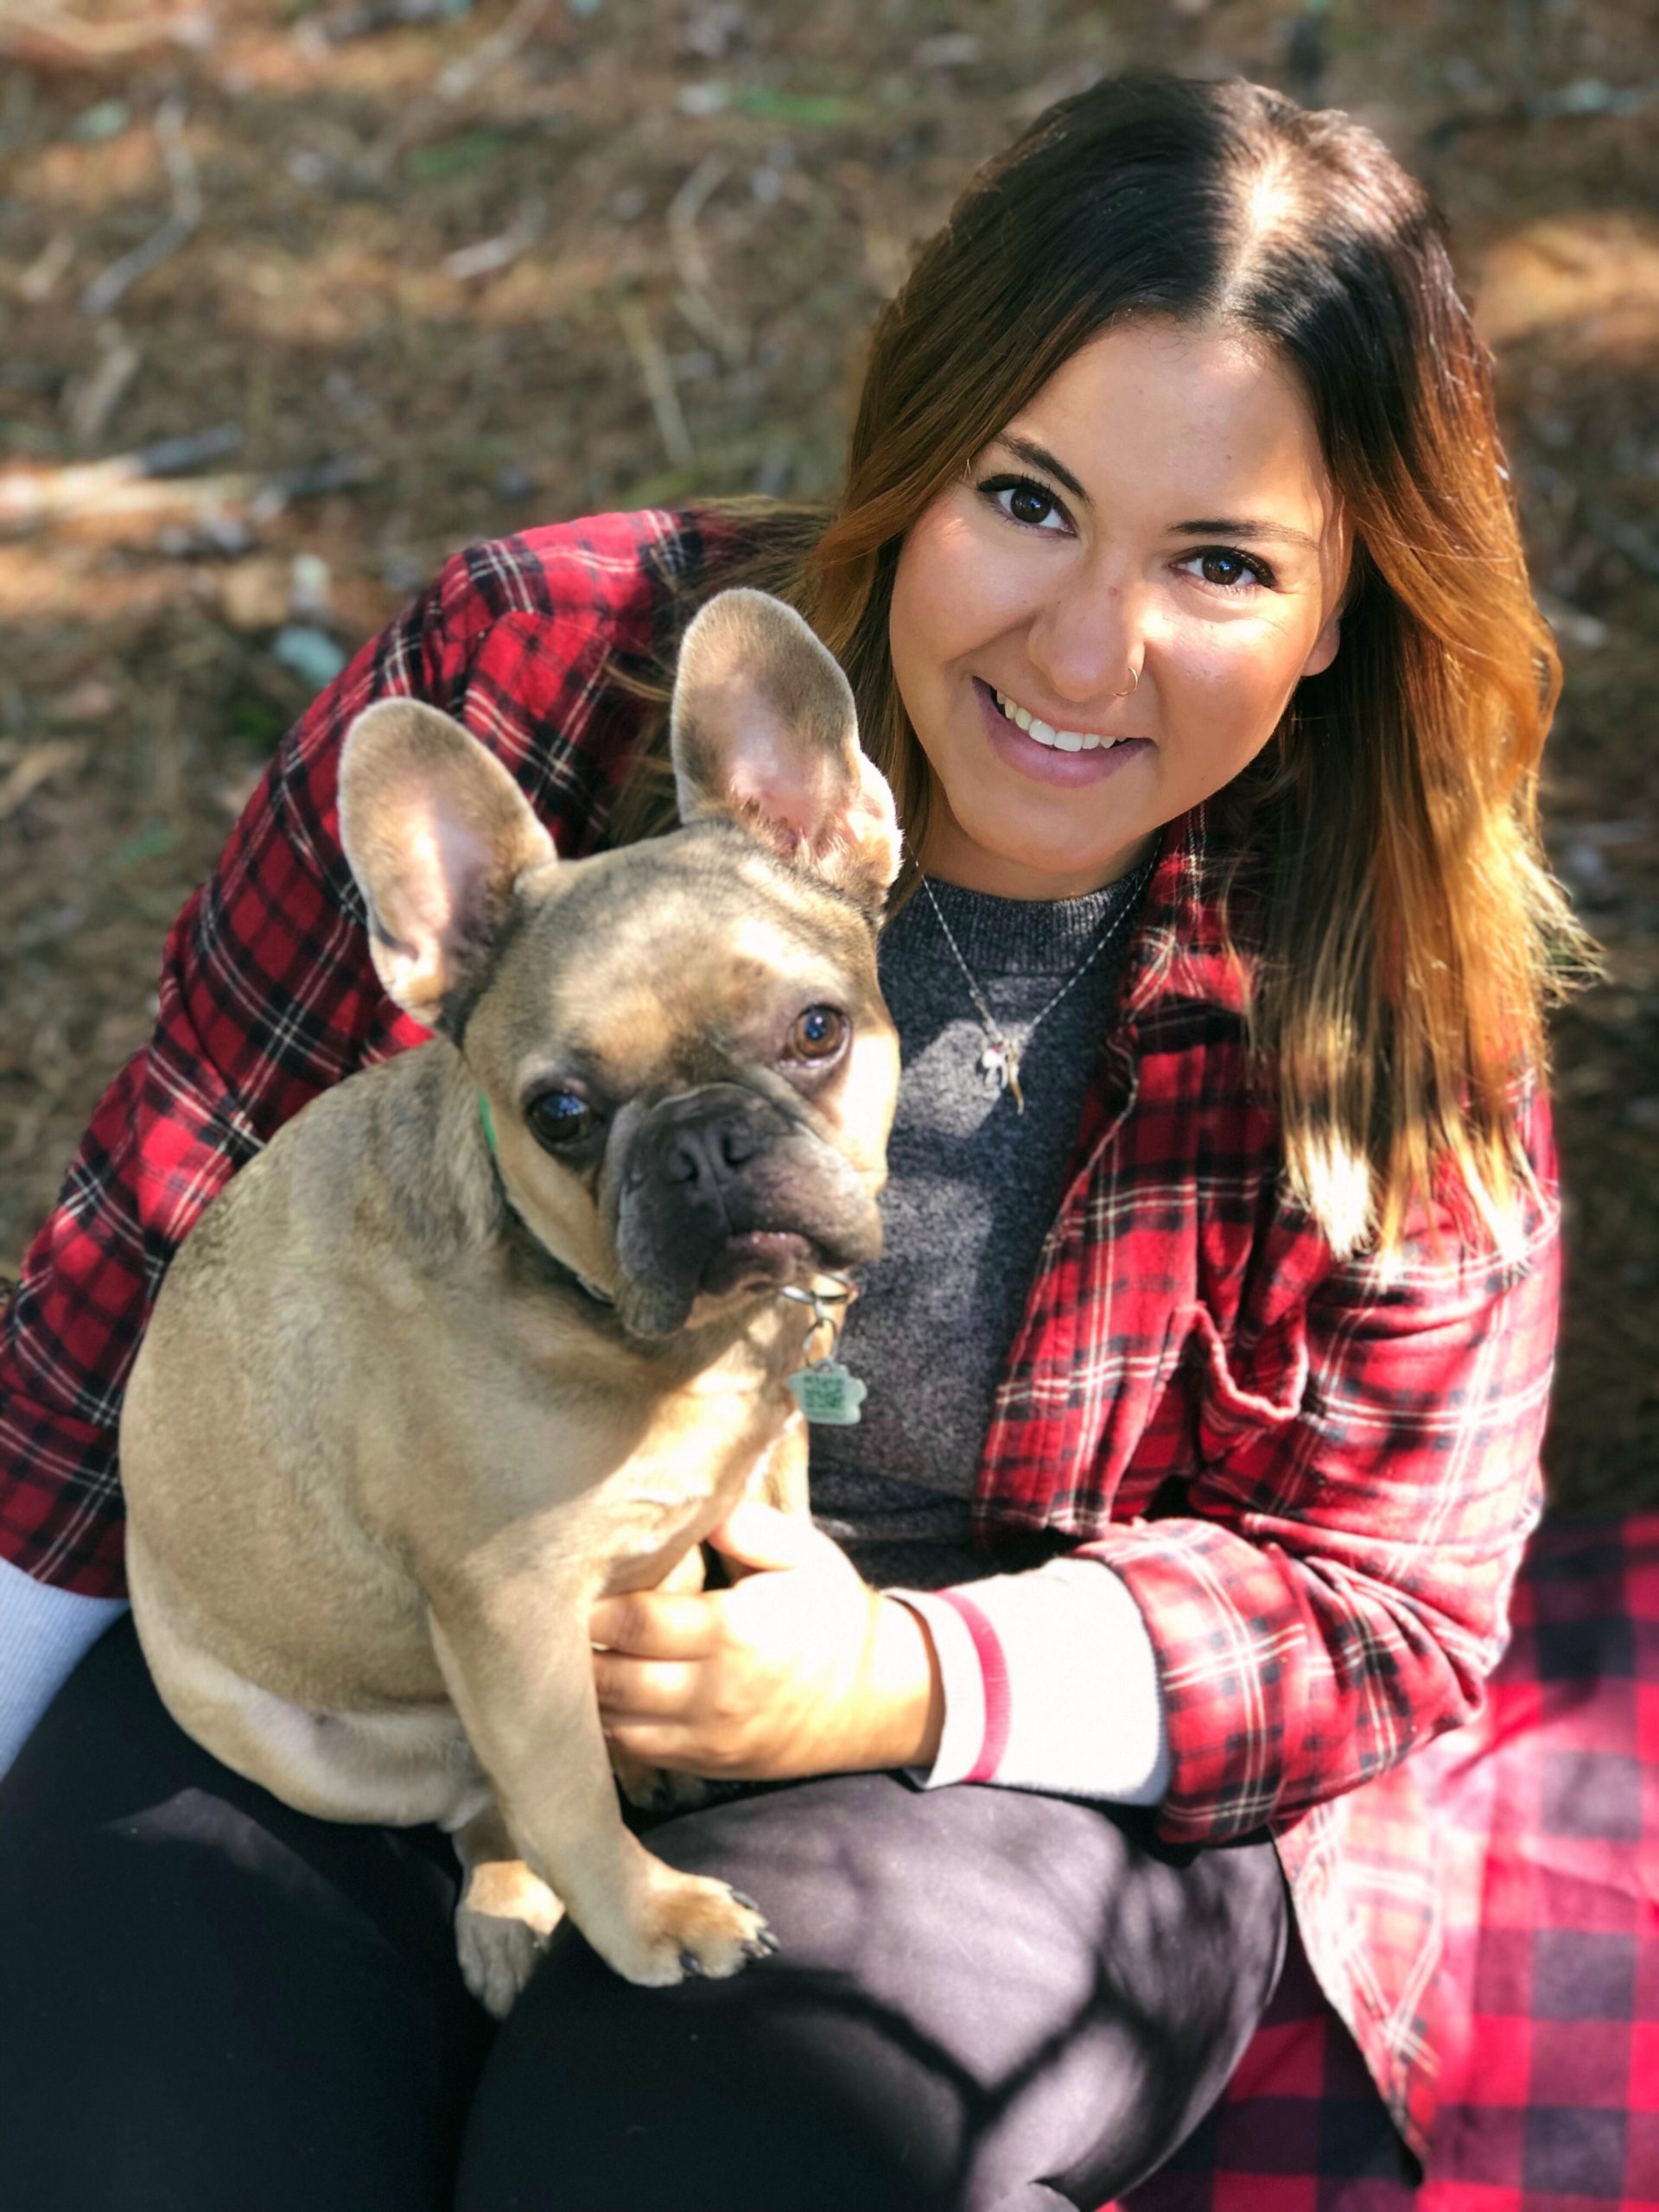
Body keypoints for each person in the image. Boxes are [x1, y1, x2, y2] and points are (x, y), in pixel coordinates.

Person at [0, 70, 1589, 2212]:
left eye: (1220, 559)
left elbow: (1382, 1612)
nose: (1085, 646)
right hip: (392, 1620)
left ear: (1347, 605)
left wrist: (892, 1672)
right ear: (912, 456)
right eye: (1026, 501)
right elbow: (141, 1258)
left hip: (987, 1728)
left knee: (694, 2171)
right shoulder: (539, 687)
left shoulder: (1380, 972)